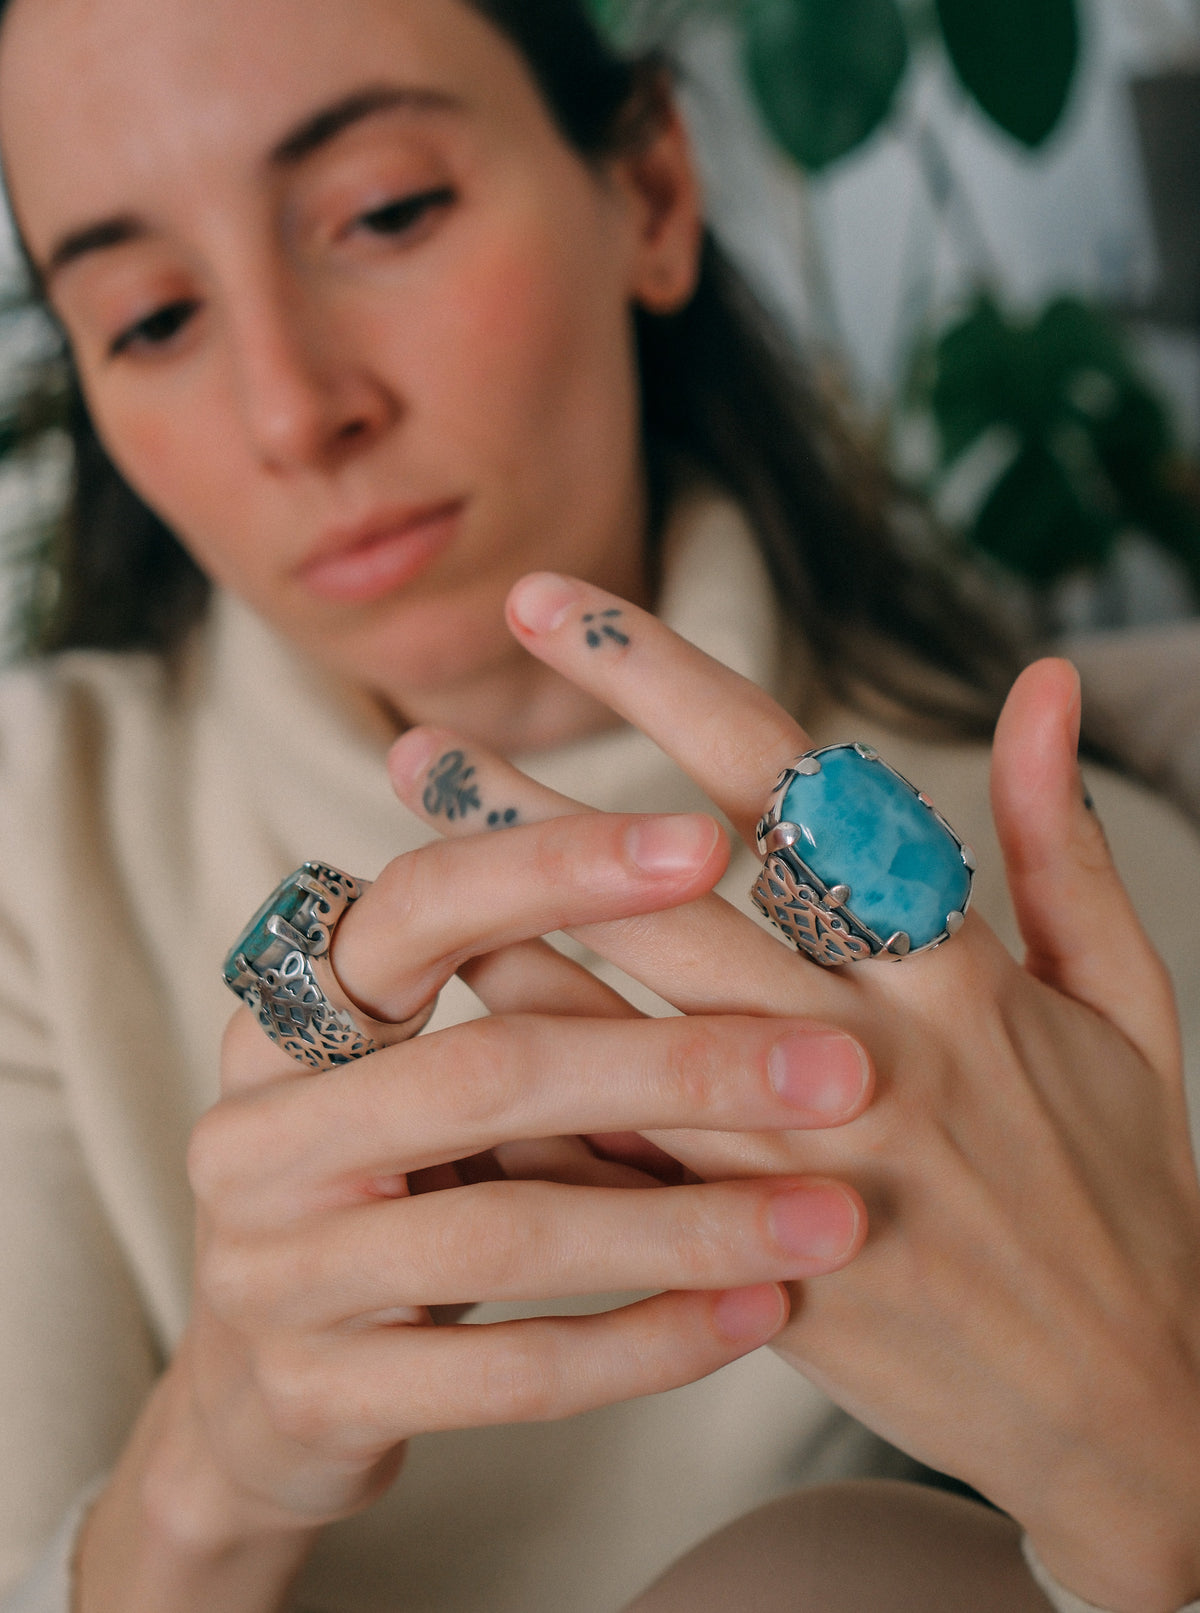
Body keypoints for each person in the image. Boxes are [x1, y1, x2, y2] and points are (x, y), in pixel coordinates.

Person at [0, 1, 1196, 1610]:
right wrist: (212, 1463)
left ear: (647, 193)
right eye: (148, 317)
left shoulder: (1060, 937)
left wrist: (1153, 1467)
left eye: (385, 212)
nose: (294, 410)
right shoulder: (33, 833)